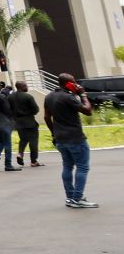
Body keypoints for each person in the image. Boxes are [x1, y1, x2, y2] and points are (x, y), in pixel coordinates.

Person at [44, 75, 98, 208]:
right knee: (82, 167)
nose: (76, 85)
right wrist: (83, 94)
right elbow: (88, 111)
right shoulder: (68, 97)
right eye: (74, 83)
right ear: (68, 84)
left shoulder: (49, 96)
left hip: (60, 138)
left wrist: (53, 133)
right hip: (75, 138)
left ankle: (70, 197)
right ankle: (77, 198)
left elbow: (46, 117)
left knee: (67, 166)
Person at [9, 81, 42, 168]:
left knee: (23, 139)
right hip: (30, 122)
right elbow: (36, 109)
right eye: (26, 85)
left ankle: (20, 154)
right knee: (33, 141)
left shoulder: (10, 97)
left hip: (17, 123)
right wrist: (28, 113)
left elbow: (8, 110)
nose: (27, 87)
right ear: (22, 86)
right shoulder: (28, 96)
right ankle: (33, 161)